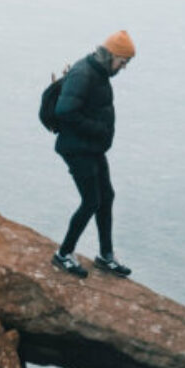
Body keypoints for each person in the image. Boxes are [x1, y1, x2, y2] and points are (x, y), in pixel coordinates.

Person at [50, 30, 135, 278]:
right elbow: (65, 110)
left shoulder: (98, 72)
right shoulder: (83, 74)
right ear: (110, 56)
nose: (123, 67)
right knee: (91, 201)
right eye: (123, 62)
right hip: (77, 149)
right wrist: (98, 129)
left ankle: (105, 256)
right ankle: (63, 253)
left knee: (106, 196)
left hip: (91, 147)